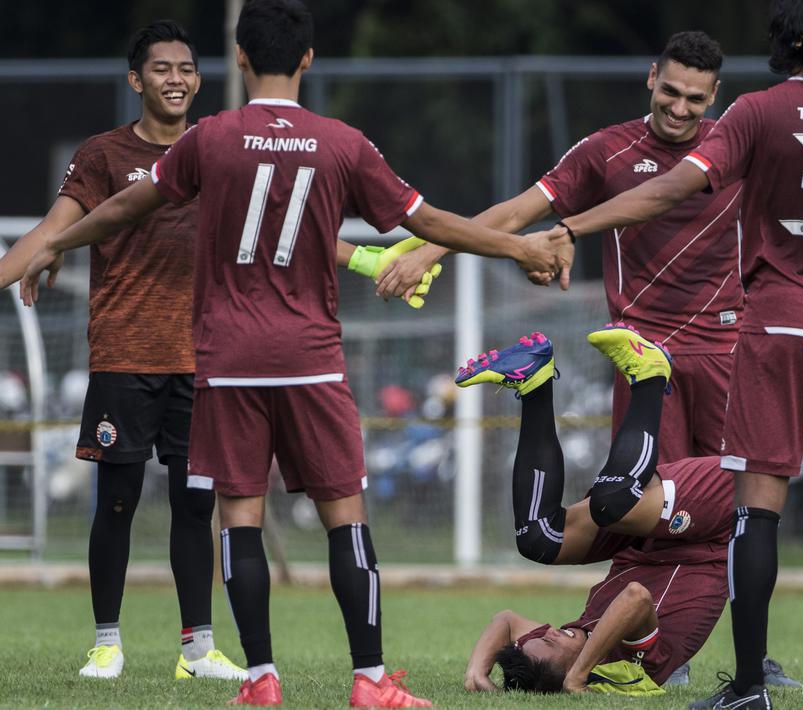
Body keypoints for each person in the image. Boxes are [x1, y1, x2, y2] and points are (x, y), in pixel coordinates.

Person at [20, 0, 569, 706]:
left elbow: (127, 208)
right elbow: (428, 222)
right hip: (310, 357)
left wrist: (54, 245)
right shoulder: (343, 143)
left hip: (226, 361)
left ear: (239, 59)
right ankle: (369, 680)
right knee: (347, 516)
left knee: (238, 516)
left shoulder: (209, 138)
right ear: (308, 59)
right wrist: (520, 244)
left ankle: (260, 680)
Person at [525, 1, 803, 707]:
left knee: (754, 513)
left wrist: (573, 228)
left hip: (773, 332)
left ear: (776, 49)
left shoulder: (756, 112)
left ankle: (747, 687)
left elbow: (673, 186)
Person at [0, 20, 245, 682]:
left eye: (187, 68)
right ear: (136, 80)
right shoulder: (104, 154)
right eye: (161, 68)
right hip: (124, 355)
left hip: (203, 360)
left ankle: (197, 649)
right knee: (116, 501)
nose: (176, 78)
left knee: (197, 506)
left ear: (198, 79)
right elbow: (54, 231)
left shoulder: (217, 151)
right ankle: (106, 643)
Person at [380, 30, 742, 465]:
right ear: (652, 77)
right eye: (670, 91)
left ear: (714, 95)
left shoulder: (737, 147)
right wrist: (427, 252)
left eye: (695, 99)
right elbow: (517, 213)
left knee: (732, 500)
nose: (680, 109)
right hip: (644, 355)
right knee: (646, 503)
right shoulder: (607, 150)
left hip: (728, 350)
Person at [456, 324, 797, 693]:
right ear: (575, 667)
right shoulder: (630, 663)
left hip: (639, 536)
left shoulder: (569, 642)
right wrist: (578, 675)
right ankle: (651, 377)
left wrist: (477, 670)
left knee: (539, 538)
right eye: (554, 642)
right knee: (612, 506)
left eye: (543, 634)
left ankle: (534, 382)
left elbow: (506, 620)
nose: (553, 631)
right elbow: (636, 597)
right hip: (709, 527)